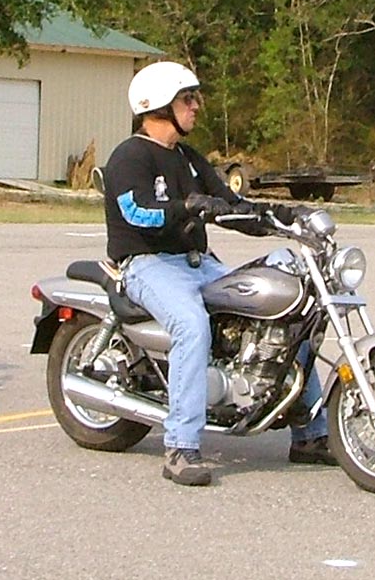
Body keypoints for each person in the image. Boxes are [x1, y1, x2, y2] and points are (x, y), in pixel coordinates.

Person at [102, 60, 335, 486]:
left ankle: (310, 436)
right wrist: (185, 207)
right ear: (158, 106)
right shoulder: (129, 156)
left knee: (289, 309)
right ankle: (180, 446)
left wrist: (283, 216)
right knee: (192, 326)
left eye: (194, 98)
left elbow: (231, 205)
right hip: (147, 263)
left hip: (198, 262)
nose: (196, 106)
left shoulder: (189, 158)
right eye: (187, 99)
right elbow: (135, 213)